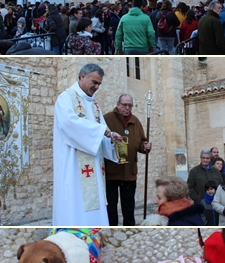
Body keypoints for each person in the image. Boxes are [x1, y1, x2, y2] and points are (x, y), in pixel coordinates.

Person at [52, 64, 120, 226]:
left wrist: (111, 138)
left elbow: (102, 133)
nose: (96, 87)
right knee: (74, 202)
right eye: (94, 82)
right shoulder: (66, 98)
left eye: (99, 84)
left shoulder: (95, 104)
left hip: (94, 167)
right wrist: (100, 131)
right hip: (73, 164)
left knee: (94, 201)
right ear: (83, 76)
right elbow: (69, 124)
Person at [103, 94, 151, 226]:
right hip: (111, 172)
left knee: (129, 207)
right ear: (118, 104)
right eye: (124, 105)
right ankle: (111, 229)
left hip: (129, 173)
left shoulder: (135, 121)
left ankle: (129, 227)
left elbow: (141, 142)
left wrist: (145, 146)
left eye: (130, 105)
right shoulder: (106, 119)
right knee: (110, 207)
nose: (127, 108)